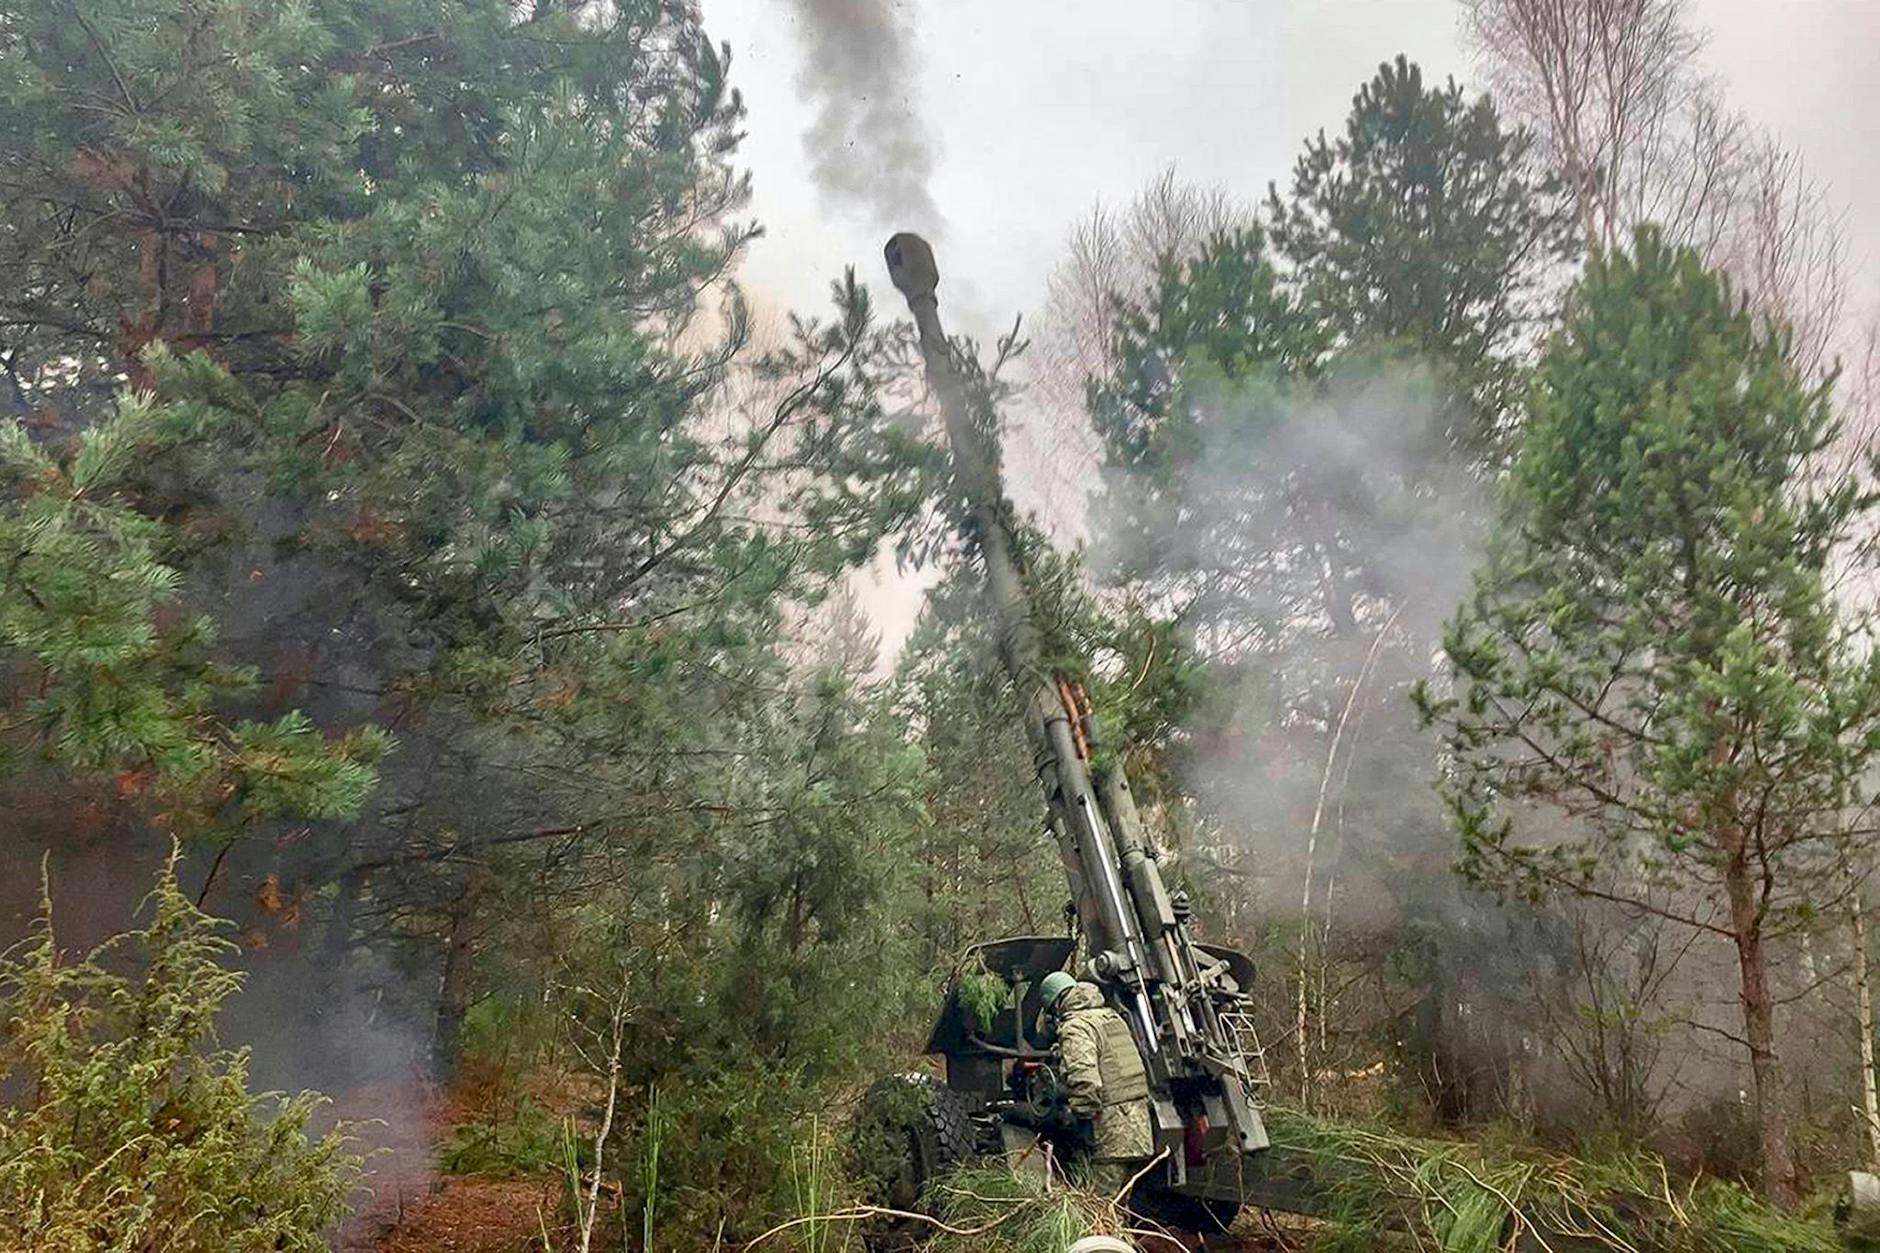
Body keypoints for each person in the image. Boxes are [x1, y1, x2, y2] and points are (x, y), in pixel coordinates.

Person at [1038, 972, 1155, 1194]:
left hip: (1111, 1129)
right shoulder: (1110, 1016)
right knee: (1119, 1204)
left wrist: (1081, 1119)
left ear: (1055, 1006)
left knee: (1099, 1208)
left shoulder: (1076, 1026)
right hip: (1138, 1124)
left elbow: (1085, 1079)